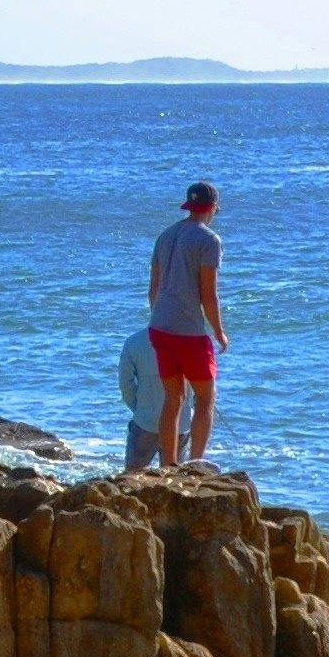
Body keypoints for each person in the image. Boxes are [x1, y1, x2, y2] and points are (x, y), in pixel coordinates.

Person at [146, 178, 227, 465]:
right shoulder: (209, 240)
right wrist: (219, 332)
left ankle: (168, 463)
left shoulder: (165, 235)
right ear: (213, 207)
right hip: (189, 333)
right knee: (205, 399)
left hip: (160, 327)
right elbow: (208, 294)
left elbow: (153, 289)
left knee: (173, 398)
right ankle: (196, 463)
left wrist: (159, 316)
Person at [117, 326, 168, 472]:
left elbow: (125, 384)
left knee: (131, 477)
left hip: (145, 421)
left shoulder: (134, 341)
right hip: (181, 423)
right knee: (176, 476)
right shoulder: (190, 340)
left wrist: (139, 408)